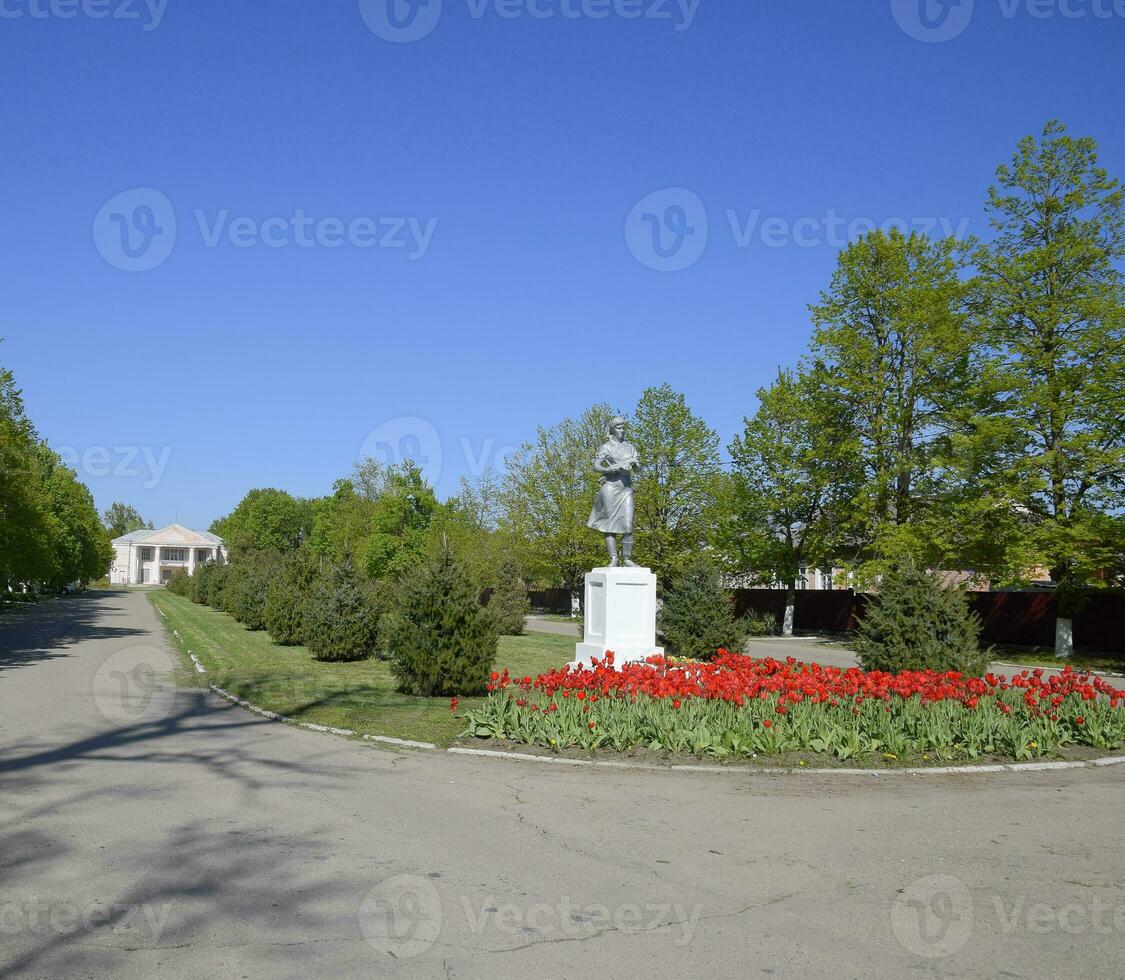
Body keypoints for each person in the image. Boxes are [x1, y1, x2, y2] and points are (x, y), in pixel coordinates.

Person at [587, 416, 640, 567]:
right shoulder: (606, 447)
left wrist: (635, 465)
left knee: (628, 525)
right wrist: (608, 468)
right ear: (612, 429)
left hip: (626, 488)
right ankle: (614, 558)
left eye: (623, 428)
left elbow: (638, 469)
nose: (622, 430)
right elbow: (596, 466)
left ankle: (628, 559)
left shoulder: (630, 448)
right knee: (610, 525)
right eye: (619, 428)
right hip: (610, 487)